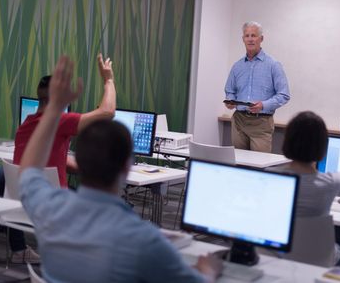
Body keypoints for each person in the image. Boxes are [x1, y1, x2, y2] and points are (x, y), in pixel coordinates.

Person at [18, 56, 222, 283]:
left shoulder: (48, 209)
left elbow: (28, 171)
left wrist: (55, 107)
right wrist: (208, 271)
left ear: (80, 162)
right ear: (128, 166)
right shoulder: (146, 241)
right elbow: (107, 112)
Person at [0, 54, 116, 264]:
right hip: (54, 204)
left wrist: (81, 167)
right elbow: (108, 112)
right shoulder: (61, 121)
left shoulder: (25, 126)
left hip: (22, 204)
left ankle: (21, 249)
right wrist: (108, 80)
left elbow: (47, 160)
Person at [280, 94, 340, 267]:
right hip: (318, 258)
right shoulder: (329, 183)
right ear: (323, 147)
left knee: (337, 232)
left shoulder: (272, 180)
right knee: (338, 242)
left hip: (279, 256)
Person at [224, 21, 290, 153]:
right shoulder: (237, 66)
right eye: (247, 36)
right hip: (239, 121)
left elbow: (284, 95)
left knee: (259, 166)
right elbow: (230, 91)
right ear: (243, 39)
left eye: (253, 35)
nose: (250, 39)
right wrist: (230, 101)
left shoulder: (273, 65)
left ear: (261, 39)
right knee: (238, 163)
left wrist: (263, 105)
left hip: (261, 122)